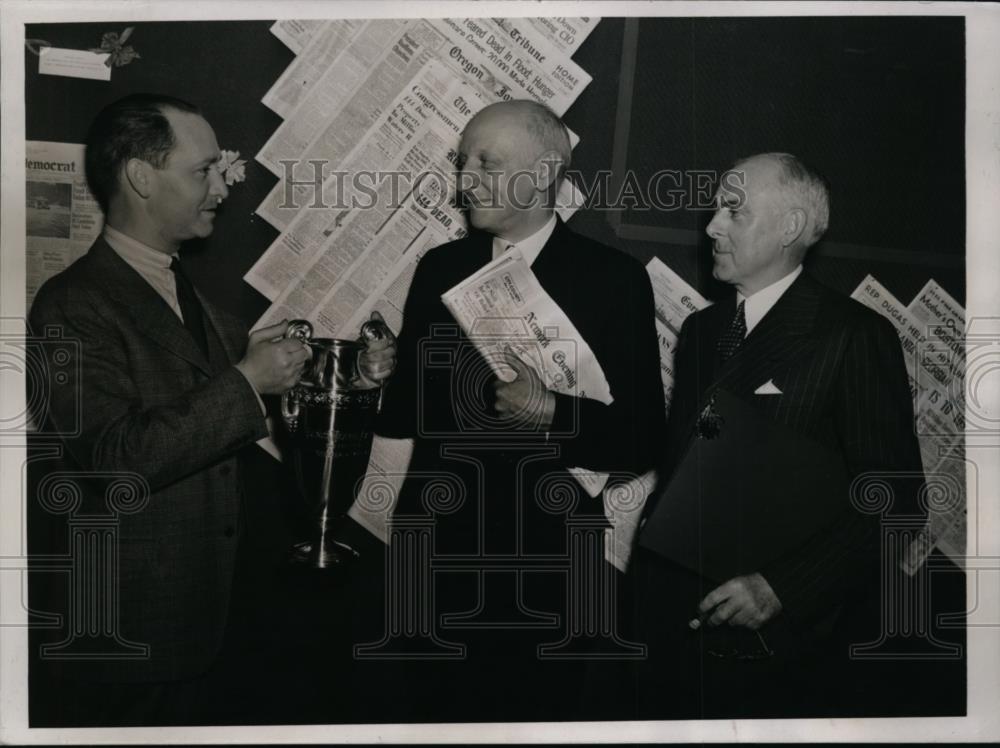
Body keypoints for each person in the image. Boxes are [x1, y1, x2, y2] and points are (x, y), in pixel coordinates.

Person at [27, 93, 395, 726]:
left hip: (206, 626)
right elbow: (118, 459)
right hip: (132, 638)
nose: (222, 186)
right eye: (203, 171)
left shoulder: (177, 288)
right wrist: (248, 380)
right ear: (141, 177)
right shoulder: (72, 303)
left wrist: (350, 376)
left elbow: (237, 402)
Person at [373, 100, 666, 721]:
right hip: (433, 557)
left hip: (548, 572)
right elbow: (404, 417)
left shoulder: (614, 280)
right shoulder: (439, 268)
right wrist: (385, 375)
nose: (464, 179)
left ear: (544, 172)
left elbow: (641, 440)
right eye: (462, 162)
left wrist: (552, 411)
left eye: (487, 162)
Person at [631, 152, 925, 718]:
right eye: (716, 207)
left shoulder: (853, 335)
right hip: (665, 625)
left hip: (765, 651)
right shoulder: (701, 329)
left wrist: (779, 588)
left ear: (791, 227)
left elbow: (896, 501)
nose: (712, 224)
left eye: (733, 211)